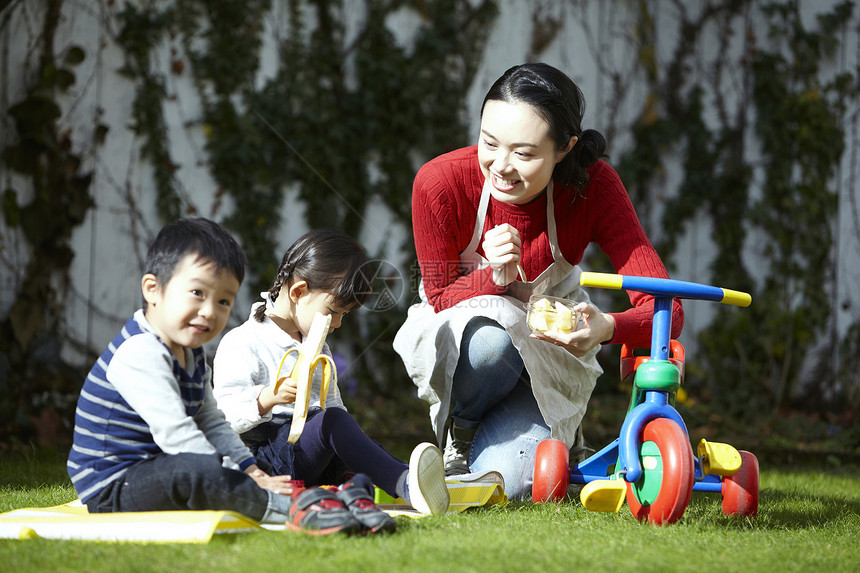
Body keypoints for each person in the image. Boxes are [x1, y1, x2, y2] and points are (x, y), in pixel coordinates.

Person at [393, 63, 684, 499]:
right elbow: (437, 295)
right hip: (471, 351)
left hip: (547, 354)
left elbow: (668, 308)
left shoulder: (594, 187)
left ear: (565, 148)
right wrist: (492, 276)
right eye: (489, 143)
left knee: (515, 486)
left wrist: (607, 328)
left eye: (524, 153)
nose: (501, 166)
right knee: (489, 342)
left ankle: (539, 437)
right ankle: (462, 433)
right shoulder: (440, 183)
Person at [66, 218, 384, 536]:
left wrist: (250, 468)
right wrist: (237, 477)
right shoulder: (140, 352)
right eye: (196, 293)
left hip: (154, 470)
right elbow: (177, 436)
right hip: (110, 485)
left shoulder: (191, 356)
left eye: (222, 301)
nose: (209, 311)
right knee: (199, 469)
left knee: (204, 467)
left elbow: (213, 423)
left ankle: (337, 496)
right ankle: (294, 508)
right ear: (153, 289)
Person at [212, 228, 450, 520]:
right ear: (299, 292)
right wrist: (267, 398)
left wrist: (352, 445)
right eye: (334, 311)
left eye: (344, 315)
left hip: (310, 453)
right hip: (269, 458)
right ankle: (406, 483)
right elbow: (222, 416)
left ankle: (354, 495)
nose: (337, 323)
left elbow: (335, 410)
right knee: (332, 425)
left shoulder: (318, 347)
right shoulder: (243, 341)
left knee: (357, 448)